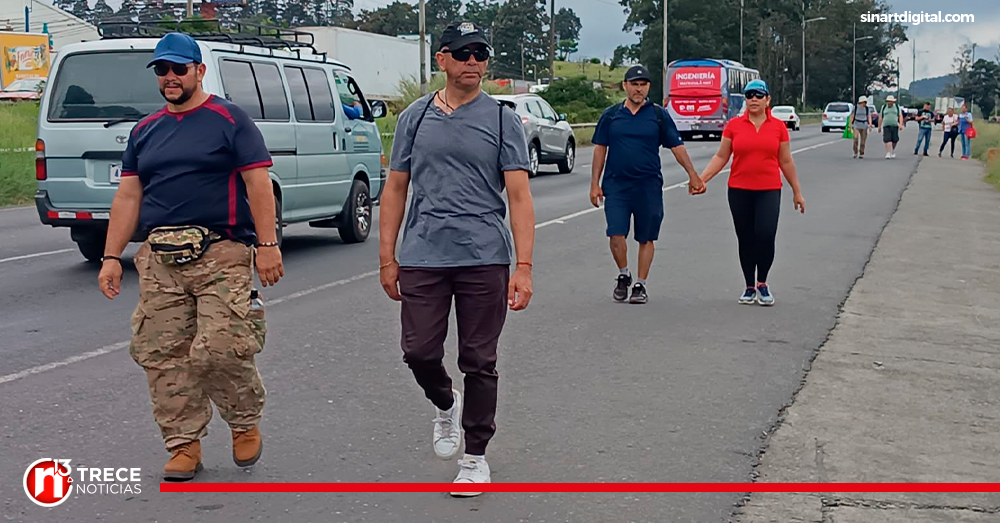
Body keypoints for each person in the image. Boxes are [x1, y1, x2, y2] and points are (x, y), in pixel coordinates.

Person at [96, 33, 283, 481]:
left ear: (199, 71)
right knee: (161, 352)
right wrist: (110, 256)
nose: (170, 77)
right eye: (162, 70)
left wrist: (268, 245)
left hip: (221, 251)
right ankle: (183, 444)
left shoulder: (229, 119)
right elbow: (128, 196)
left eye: (179, 68)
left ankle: (243, 422)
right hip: (160, 257)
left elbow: (259, 184)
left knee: (220, 347)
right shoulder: (145, 131)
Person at [379, 21, 535, 495]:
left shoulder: (503, 119)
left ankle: (475, 456)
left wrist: (523, 267)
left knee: (478, 358)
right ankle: (446, 404)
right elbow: (396, 187)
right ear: (442, 59)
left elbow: (520, 197)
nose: (473, 62)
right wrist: (388, 256)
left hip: (484, 255)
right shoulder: (415, 118)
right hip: (424, 252)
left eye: (481, 54)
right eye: (464, 53)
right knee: (419, 351)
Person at [589, 65, 705, 304]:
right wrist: (594, 184)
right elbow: (600, 149)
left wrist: (693, 174)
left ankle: (640, 284)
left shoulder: (658, 115)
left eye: (642, 84)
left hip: (648, 185)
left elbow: (676, 146)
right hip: (617, 186)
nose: (638, 89)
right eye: (634, 84)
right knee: (616, 233)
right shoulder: (611, 115)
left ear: (648, 87)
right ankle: (624, 274)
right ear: (625, 86)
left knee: (646, 237)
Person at [696, 79, 805, 306]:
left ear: (767, 100)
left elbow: (785, 161)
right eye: (749, 95)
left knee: (765, 236)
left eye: (758, 95)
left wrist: (797, 191)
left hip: (768, 190)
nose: (753, 99)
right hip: (739, 190)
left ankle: (762, 283)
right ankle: (749, 286)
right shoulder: (734, 126)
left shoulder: (778, 128)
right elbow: (721, 157)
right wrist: (701, 179)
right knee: (745, 239)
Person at [878, 95, 904, 159]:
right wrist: (879, 126)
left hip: (895, 125)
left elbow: (900, 116)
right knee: (887, 139)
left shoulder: (897, 107)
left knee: (894, 140)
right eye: (888, 101)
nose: (889, 103)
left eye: (891, 101)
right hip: (886, 125)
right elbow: (881, 117)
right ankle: (888, 152)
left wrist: (901, 124)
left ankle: (892, 150)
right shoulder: (884, 107)